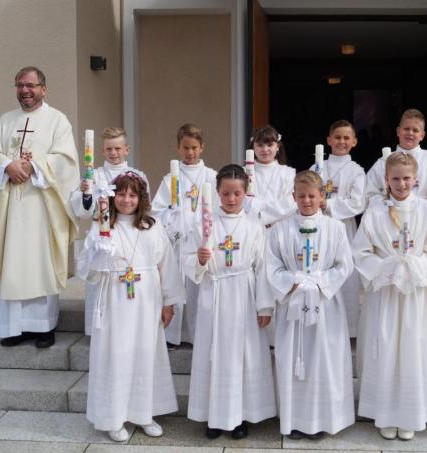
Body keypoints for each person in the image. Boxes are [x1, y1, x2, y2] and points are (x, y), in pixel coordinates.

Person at [352, 152, 427, 441]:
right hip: (385, 292)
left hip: (415, 294)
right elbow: (361, 251)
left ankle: (410, 412)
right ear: (386, 180)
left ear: (416, 179)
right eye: (395, 178)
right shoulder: (374, 212)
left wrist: (415, 266)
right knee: (384, 348)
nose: (401, 183)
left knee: (413, 348)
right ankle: (385, 413)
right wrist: (389, 268)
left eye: (407, 178)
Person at [77, 172, 183, 442]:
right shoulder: (102, 224)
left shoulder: (152, 225)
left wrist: (169, 302)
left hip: (147, 299)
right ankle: (114, 417)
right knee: (117, 354)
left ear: (141, 198)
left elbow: (167, 265)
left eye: (133, 195)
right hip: (115, 298)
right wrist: (98, 254)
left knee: (145, 353)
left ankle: (144, 413)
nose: (126, 200)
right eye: (121, 194)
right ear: (113, 196)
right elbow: (86, 269)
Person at [0, 66, 79, 348]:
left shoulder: (57, 121)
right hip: (9, 208)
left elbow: (66, 160)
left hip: (40, 207)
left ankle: (43, 327)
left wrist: (34, 166)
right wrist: (6, 165)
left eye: (31, 85)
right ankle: (12, 328)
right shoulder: (5, 120)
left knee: (39, 262)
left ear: (43, 89)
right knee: (11, 261)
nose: (25, 90)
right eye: (20, 85)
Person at [185, 164, 277, 440]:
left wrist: (264, 305)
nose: (232, 198)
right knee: (213, 355)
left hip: (244, 296)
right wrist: (198, 260)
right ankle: (213, 416)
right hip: (214, 293)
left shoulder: (254, 226)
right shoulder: (204, 224)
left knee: (241, 357)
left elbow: (263, 267)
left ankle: (239, 416)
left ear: (245, 192)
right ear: (217, 193)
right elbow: (188, 259)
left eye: (237, 193)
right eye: (226, 193)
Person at [266, 171, 355, 440]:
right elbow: (272, 266)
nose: (306, 200)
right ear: (293, 196)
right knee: (292, 360)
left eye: (312, 196)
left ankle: (321, 420)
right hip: (293, 305)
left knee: (323, 361)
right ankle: (293, 420)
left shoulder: (335, 228)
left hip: (325, 306)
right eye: (301, 195)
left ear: (322, 197)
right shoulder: (280, 229)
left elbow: (344, 265)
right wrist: (293, 281)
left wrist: (318, 282)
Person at [70, 126, 149, 335]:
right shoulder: (93, 175)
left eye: (117, 148)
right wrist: (86, 194)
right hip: (103, 236)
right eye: (108, 149)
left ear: (126, 149)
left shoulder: (137, 175)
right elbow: (83, 211)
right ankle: (99, 330)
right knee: (102, 282)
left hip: (130, 236)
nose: (113, 153)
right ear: (102, 151)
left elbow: (143, 206)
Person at [151, 124, 218, 346]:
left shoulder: (210, 176)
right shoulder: (171, 177)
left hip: (200, 244)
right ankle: (173, 336)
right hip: (177, 244)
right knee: (176, 285)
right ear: (178, 148)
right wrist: (171, 214)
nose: (190, 152)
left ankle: (197, 335)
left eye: (194, 147)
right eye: (186, 147)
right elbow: (156, 210)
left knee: (197, 290)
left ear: (202, 147)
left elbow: (218, 209)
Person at [309, 120, 366, 337]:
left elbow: (358, 202)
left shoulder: (356, 171)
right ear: (328, 140)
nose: (341, 141)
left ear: (354, 141)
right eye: (337, 137)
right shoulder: (316, 167)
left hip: (343, 227)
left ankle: (348, 328)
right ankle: (319, 323)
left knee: (345, 274)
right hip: (317, 228)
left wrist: (329, 204)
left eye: (346, 138)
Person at [364, 109, 427, 238]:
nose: (410, 133)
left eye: (415, 130)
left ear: (422, 135)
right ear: (398, 131)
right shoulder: (383, 162)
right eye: (406, 129)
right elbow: (370, 193)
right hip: (390, 222)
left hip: (422, 222)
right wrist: (386, 205)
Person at [245, 125, 297, 227]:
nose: (265, 149)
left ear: (277, 147)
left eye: (269, 145)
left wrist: (261, 215)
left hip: (280, 228)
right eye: (260, 145)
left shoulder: (289, 174)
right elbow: (243, 202)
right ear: (253, 147)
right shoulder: (243, 173)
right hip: (252, 228)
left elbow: (290, 203)